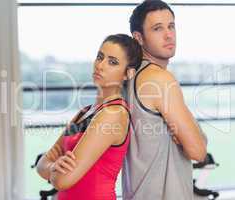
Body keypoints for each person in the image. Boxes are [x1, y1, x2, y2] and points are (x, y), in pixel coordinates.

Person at [36, 34, 142, 200]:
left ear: (128, 73)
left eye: (112, 62)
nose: (100, 65)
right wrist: (53, 167)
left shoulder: (113, 114)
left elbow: (62, 180)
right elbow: (43, 161)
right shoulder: (85, 111)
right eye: (100, 57)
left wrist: (51, 170)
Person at [122, 1, 207, 200]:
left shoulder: (130, 77)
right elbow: (198, 150)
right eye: (157, 28)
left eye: (171, 26)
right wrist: (192, 135)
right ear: (139, 38)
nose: (169, 35)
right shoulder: (159, 79)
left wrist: (185, 134)